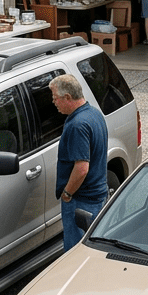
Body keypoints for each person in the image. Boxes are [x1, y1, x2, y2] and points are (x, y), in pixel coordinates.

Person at [50, 74, 109, 251]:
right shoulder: (94, 114)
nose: (54, 103)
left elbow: (82, 168)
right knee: (92, 248)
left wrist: (67, 193)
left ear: (67, 97)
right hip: (97, 197)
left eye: (55, 99)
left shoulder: (78, 125)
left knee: (76, 252)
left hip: (81, 201)